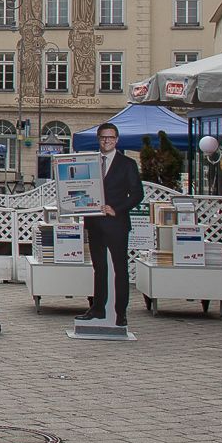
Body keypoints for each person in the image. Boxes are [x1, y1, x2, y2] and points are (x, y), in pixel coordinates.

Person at [78, 122, 144, 328]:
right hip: (94, 222)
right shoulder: (88, 162)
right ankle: (98, 308)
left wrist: (116, 208)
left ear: (117, 140)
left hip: (117, 223)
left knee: (120, 269)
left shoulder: (127, 164)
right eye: (103, 137)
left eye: (111, 137)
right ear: (98, 139)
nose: (107, 141)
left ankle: (121, 313)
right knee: (99, 268)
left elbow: (137, 194)